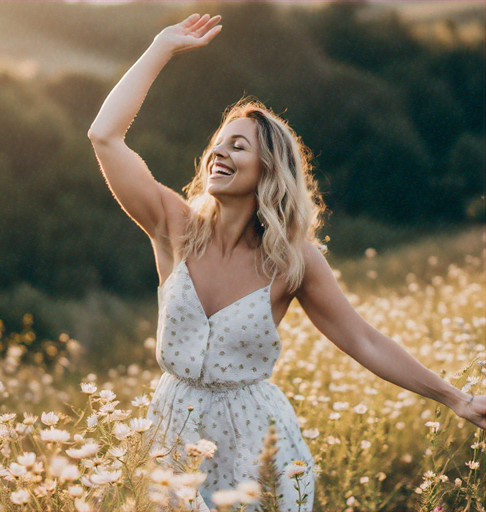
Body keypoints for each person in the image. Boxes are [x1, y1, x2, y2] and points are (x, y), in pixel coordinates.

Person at [87, 12, 485, 511]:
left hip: (258, 443)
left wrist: (456, 399)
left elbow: (363, 339)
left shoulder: (292, 261)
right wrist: (159, 47)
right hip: (173, 432)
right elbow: (105, 135)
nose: (219, 153)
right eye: (217, 144)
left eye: (238, 145)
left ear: (269, 169)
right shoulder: (174, 227)